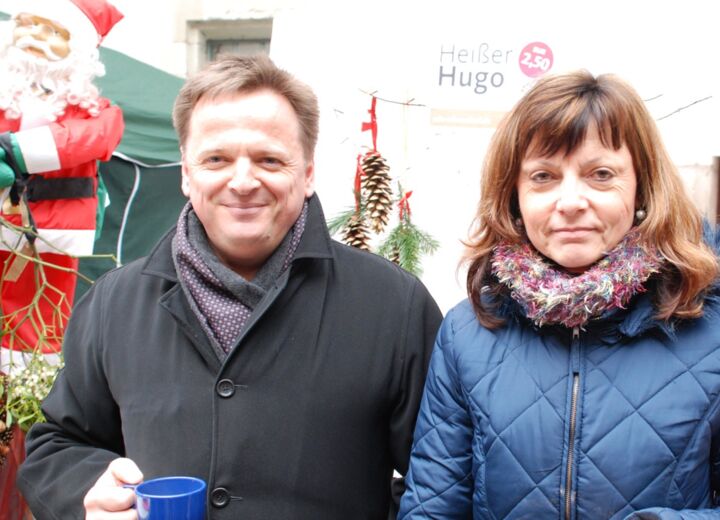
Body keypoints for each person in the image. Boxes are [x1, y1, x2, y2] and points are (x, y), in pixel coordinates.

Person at [16, 54, 443, 520]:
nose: (242, 181)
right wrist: (88, 490)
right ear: (185, 172)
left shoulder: (393, 307)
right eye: (216, 158)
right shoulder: (113, 304)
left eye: (269, 159)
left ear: (308, 173)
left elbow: (442, 479)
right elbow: (56, 446)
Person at [399, 70, 720, 519]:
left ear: (642, 186)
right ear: (514, 195)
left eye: (601, 174)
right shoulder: (468, 333)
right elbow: (433, 506)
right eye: (544, 176)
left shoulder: (709, 325)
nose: (570, 200)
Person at [0, 0, 124, 358]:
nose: (36, 37)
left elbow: (90, 138)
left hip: (53, 229)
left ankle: (30, 392)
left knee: (40, 317)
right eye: (30, 24)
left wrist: (14, 151)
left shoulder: (96, 110)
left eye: (53, 31)